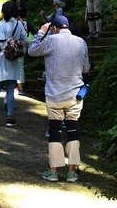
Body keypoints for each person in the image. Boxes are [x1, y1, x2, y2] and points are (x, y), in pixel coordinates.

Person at [28, 14, 90, 182]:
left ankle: (53, 171)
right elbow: (86, 68)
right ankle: (72, 172)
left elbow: (31, 50)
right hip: (75, 94)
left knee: (55, 131)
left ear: (54, 28)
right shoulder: (81, 42)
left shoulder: (51, 40)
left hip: (55, 94)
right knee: (73, 130)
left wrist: (41, 32)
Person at [0, 1, 28, 127]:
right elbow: (25, 40)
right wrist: (15, 45)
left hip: (1, 59)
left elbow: (0, 44)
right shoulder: (19, 24)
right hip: (13, 60)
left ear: (3, 12)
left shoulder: (2, 25)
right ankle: (10, 117)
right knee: (10, 90)